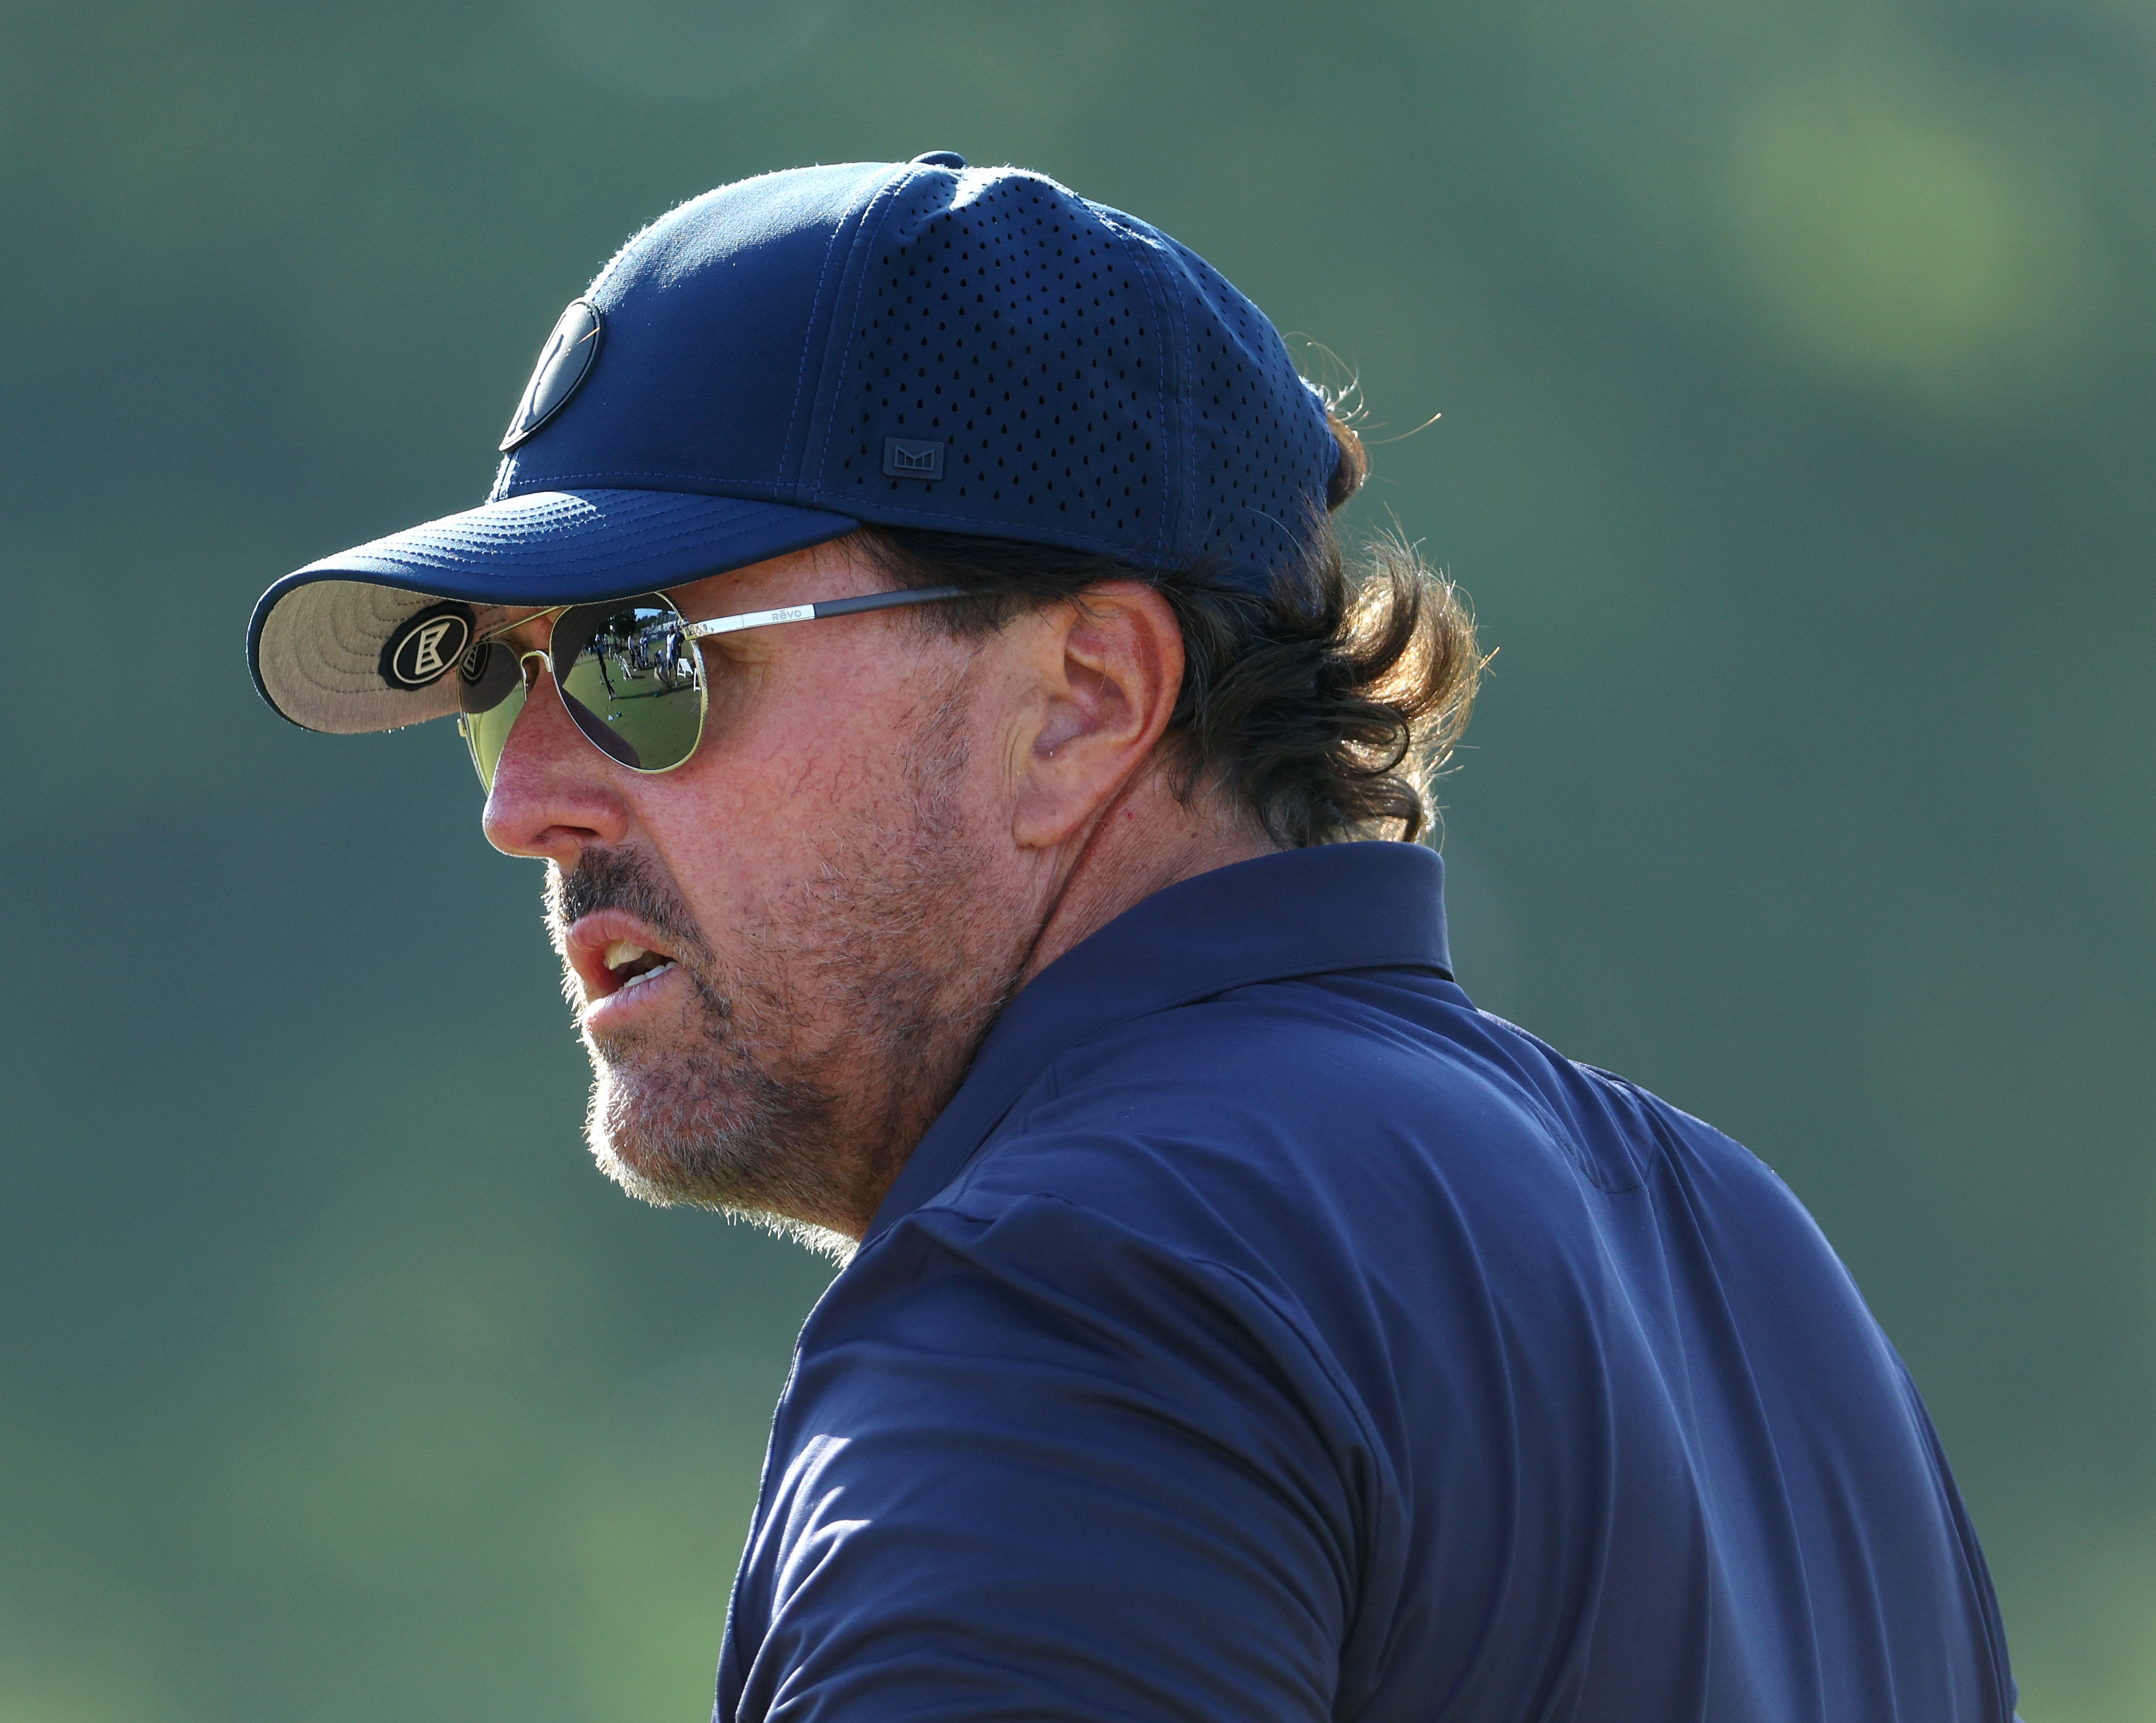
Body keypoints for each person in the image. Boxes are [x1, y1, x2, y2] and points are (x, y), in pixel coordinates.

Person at [246, 156, 2016, 1720]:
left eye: (645, 658)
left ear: (1084, 703)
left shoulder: (1077, 1279)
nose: (523, 797)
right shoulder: (1761, 1284)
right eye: (498, 684)